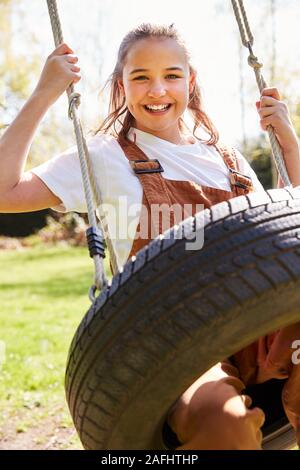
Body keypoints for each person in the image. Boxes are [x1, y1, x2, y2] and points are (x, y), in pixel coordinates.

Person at [0, 23, 300, 450]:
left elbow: (288, 236)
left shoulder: (228, 159)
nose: (157, 90)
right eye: (140, 77)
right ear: (121, 86)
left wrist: (289, 145)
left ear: (190, 81)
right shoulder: (104, 156)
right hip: (176, 339)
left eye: (171, 75)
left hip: (259, 328)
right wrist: (45, 93)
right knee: (223, 421)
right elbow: (3, 191)